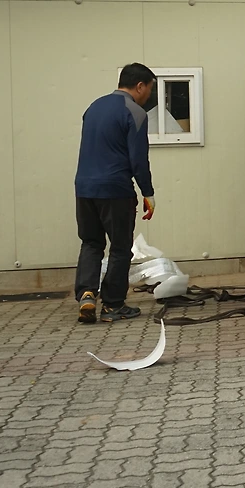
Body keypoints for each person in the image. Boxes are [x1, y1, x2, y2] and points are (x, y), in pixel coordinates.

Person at [73, 63, 157, 324]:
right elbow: (138, 159)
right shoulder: (135, 112)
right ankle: (112, 306)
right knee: (120, 247)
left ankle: (87, 294)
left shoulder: (93, 107)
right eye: (150, 90)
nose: (148, 97)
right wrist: (148, 192)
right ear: (140, 86)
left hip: (84, 188)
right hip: (115, 190)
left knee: (91, 243)